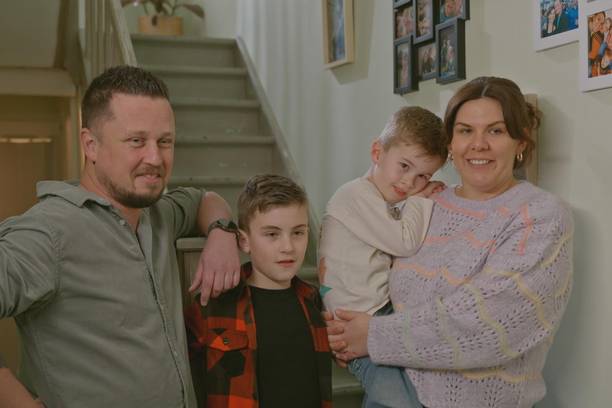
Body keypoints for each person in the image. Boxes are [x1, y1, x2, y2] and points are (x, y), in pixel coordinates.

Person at [0, 65, 241, 407]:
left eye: (165, 141)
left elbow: (205, 200)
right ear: (91, 145)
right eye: (136, 141)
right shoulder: (48, 231)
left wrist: (222, 233)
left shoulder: (158, 214)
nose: (155, 158)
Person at [327, 76, 574, 408]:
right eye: (465, 130)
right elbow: (365, 270)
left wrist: (371, 336)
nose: (478, 144)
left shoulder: (540, 215)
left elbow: (489, 326)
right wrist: (343, 330)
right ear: (450, 144)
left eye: (496, 131)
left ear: (521, 143)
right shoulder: (424, 201)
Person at [319, 107, 447, 407]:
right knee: (398, 401)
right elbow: (405, 242)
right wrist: (422, 200)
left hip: (378, 316)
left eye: (423, 176)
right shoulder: (354, 196)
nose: (409, 182)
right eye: (404, 166)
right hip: (355, 325)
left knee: (412, 394)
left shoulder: (379, 201)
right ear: (377, 152)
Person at [184, 174, 332, 408]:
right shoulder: (212, 308)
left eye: (298, 232)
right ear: (244, 241)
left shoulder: (315, 301)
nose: (288, 247)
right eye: (272, 234)